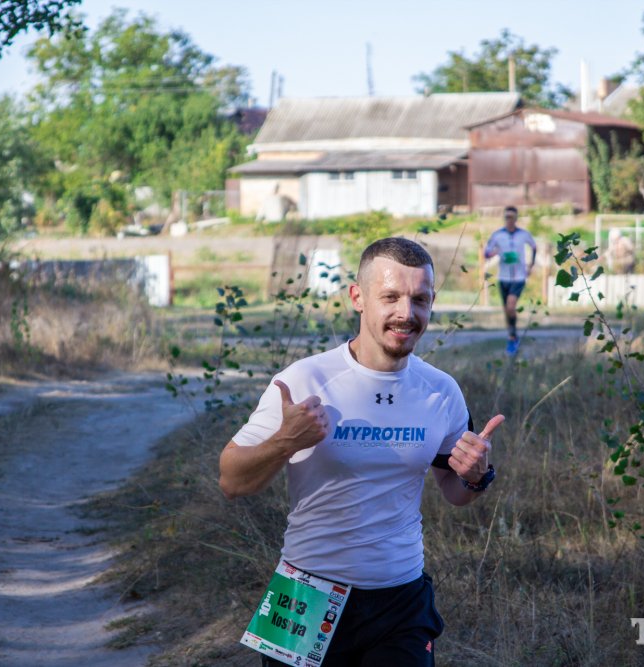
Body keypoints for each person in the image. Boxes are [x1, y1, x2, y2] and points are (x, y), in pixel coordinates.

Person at [219, 237, 505, 666]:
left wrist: (475, 477)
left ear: (432, 302)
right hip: (305, 595)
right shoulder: (305, 380)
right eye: (390, 297)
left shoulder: (441, 391)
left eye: (419, 299)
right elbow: (231, 481)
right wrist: (285, 442)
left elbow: (455, 491)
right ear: (357, 297)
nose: (406, 313)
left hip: (401, 600)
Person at [483, 206, 537, 356]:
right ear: (504, 218)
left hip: (519, 277)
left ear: (516, 218)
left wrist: (531, 265)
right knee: (507, 310)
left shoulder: (523, 234)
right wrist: (494, 253)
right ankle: (512, 336)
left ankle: (513, 337)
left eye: (512, 217)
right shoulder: (497, 235)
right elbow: (486, 253)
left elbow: (534, 247)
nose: (509, 220)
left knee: (511, 306)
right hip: (503, 277)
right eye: (507, 217)